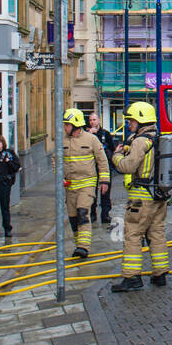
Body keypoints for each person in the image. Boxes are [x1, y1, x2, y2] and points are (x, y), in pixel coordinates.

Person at [110, 101, 169, 292]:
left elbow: (127, 167)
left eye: (131, 121)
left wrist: (116, 156)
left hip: (140, 198)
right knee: (156, 233)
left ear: (141, 120)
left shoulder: (139, 141)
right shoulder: (156, 137)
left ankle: (132, 278)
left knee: (133, 234)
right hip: (158, 195)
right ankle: (160, 275)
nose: (129, 125)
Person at [62, 108, 110, 259]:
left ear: (76, 125)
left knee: (83, 213)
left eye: (67, 124)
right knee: (73, 217)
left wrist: (104, 181)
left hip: (87, 185)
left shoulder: (91, 139)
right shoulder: (61, 140)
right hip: (70, 187)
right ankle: (78, 245)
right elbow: (55, 160)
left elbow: (102, 160)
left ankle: (84, 247)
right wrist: (59, 178)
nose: (65, 127)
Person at [87, 111, 115, 225]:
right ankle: (92, 214)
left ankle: (105, 215)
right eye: (90, 120)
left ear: (99, 121)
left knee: (105, 192)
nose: (92, 122)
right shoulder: (86, 135)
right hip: (91, 168)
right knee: (92, 192)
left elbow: (112, 149)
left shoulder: (105, 134)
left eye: (94, 120)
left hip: (104, 167)